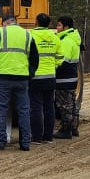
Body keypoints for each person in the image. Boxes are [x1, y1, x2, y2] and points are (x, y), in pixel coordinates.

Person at [0, 13, 39, 151]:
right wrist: (30, 74)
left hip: (3, 78)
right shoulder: (27, 35)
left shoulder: (0, 33)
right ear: (15, 22)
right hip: (22, 79)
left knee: (0, 110)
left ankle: (0, 141)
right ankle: (25, 143)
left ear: (4, 23)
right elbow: (34, 58)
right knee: (23, 110)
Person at [28, 13, 61, 144]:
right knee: (49, 107)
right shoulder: (54, 37)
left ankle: (36, 137)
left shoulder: (31, 36)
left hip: (36, 77)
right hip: (50, 77)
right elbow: (60, 56)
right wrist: (54, 66)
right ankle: (48, 136)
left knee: (36, 108)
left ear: (36, 22)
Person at [53, 16, 83, 139]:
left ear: (66, 27)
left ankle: (66, 130)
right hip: (72, 77)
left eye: (59, 25)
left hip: (63, 78)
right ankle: (74, 127)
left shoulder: (65, 41)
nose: (56, 28)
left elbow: (61, 61)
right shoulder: (74, 38)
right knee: (72, 104)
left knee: (64, 106)